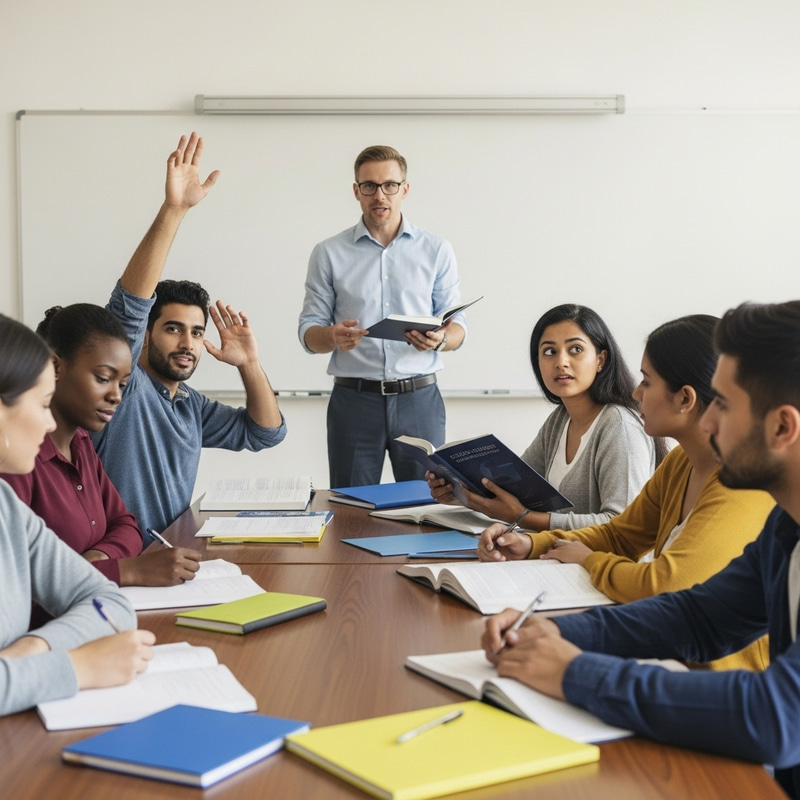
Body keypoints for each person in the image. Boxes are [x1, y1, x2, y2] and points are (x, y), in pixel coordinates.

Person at [481, 300, 800, 799]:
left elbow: (775, 715)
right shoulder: (786, 525)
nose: (708, 424)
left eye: (723, 404)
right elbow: (701, 617)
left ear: (782, 427)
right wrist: (558, 632)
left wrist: (574, 672)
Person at [480, 314, 774, 671]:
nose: (636, 393)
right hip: (671, 653)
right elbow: (619, 535)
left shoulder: (741, 484)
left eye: (647, 382)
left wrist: (589, 560)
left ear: (685, 398)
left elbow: (668, 584)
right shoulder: (681, 461)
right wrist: (531, 544)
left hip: (718, 676)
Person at [92, 132, 287, 541]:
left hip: (172, 557)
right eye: (173, 329)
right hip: (121, 561)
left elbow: (266, 433)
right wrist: (174, 210)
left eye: (197, 332)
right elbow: (129, 307)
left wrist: (250, 364)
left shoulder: (189, 405)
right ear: (145, 335)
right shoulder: (123, 388)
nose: (187, 343)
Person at [0, 314, 154, 716]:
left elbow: (109, 603)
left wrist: (32, 650)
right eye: (42, 404)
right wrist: (78, 667)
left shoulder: (6, 507)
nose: (50, 422)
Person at [298, 144, 467, 487]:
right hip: (354, 402)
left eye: (390, 185)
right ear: (356, 191)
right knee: (352, 507)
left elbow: (458, 328)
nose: (380, 195)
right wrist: (332, 336)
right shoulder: (329, 253)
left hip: (419, 400)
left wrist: (440, 339)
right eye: (369, 186)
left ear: (405, 189)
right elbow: (308, 333)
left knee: (428, 503)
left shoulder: (436, 249)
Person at [2, 304, 202, 588]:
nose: (116, 396)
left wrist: (98, 561)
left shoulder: (81, 442)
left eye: (123, 385)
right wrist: (125, 570)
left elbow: (126, 525)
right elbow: (21, 583)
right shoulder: (16, 459)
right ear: (55, 368)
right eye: (103, 379)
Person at [429, 304, 657, 530]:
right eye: (549, 352)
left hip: (596, 555)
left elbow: (622, 526)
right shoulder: (560, 420)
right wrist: (460, 494)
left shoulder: (619, 426)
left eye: (576, 349)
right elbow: (514, 490)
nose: (561, 362)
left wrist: (523, 518)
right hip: (555, 550)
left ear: (601, 359)